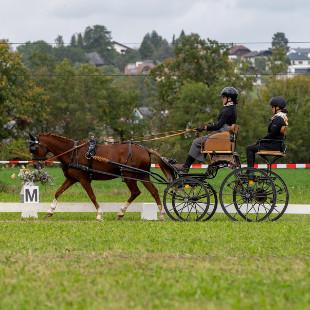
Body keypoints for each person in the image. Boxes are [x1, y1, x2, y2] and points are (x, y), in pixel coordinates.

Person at [175, 86, 238, 173]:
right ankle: (189, 165)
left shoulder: (227, 110)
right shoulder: (231, 108)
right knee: (201, 141)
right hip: (223, 134)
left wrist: (205, 127)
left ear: (229, 98)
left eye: (223, 97)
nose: (222, 99)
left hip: (221, 134)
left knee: (196, 142)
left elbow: (218, 126)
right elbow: (220, 124)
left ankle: (186, 167)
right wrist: (208, 126)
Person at [246, 96, 288, 169]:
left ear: (277, 107)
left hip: (274, 146)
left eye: (272, 107)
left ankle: (250, 171)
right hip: (277, 144)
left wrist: (261, 140)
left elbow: (272, 134)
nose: (271, 109)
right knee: (253, 146)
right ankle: (250, 171)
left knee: (249, 148)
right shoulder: (282, 117)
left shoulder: (278, 119)